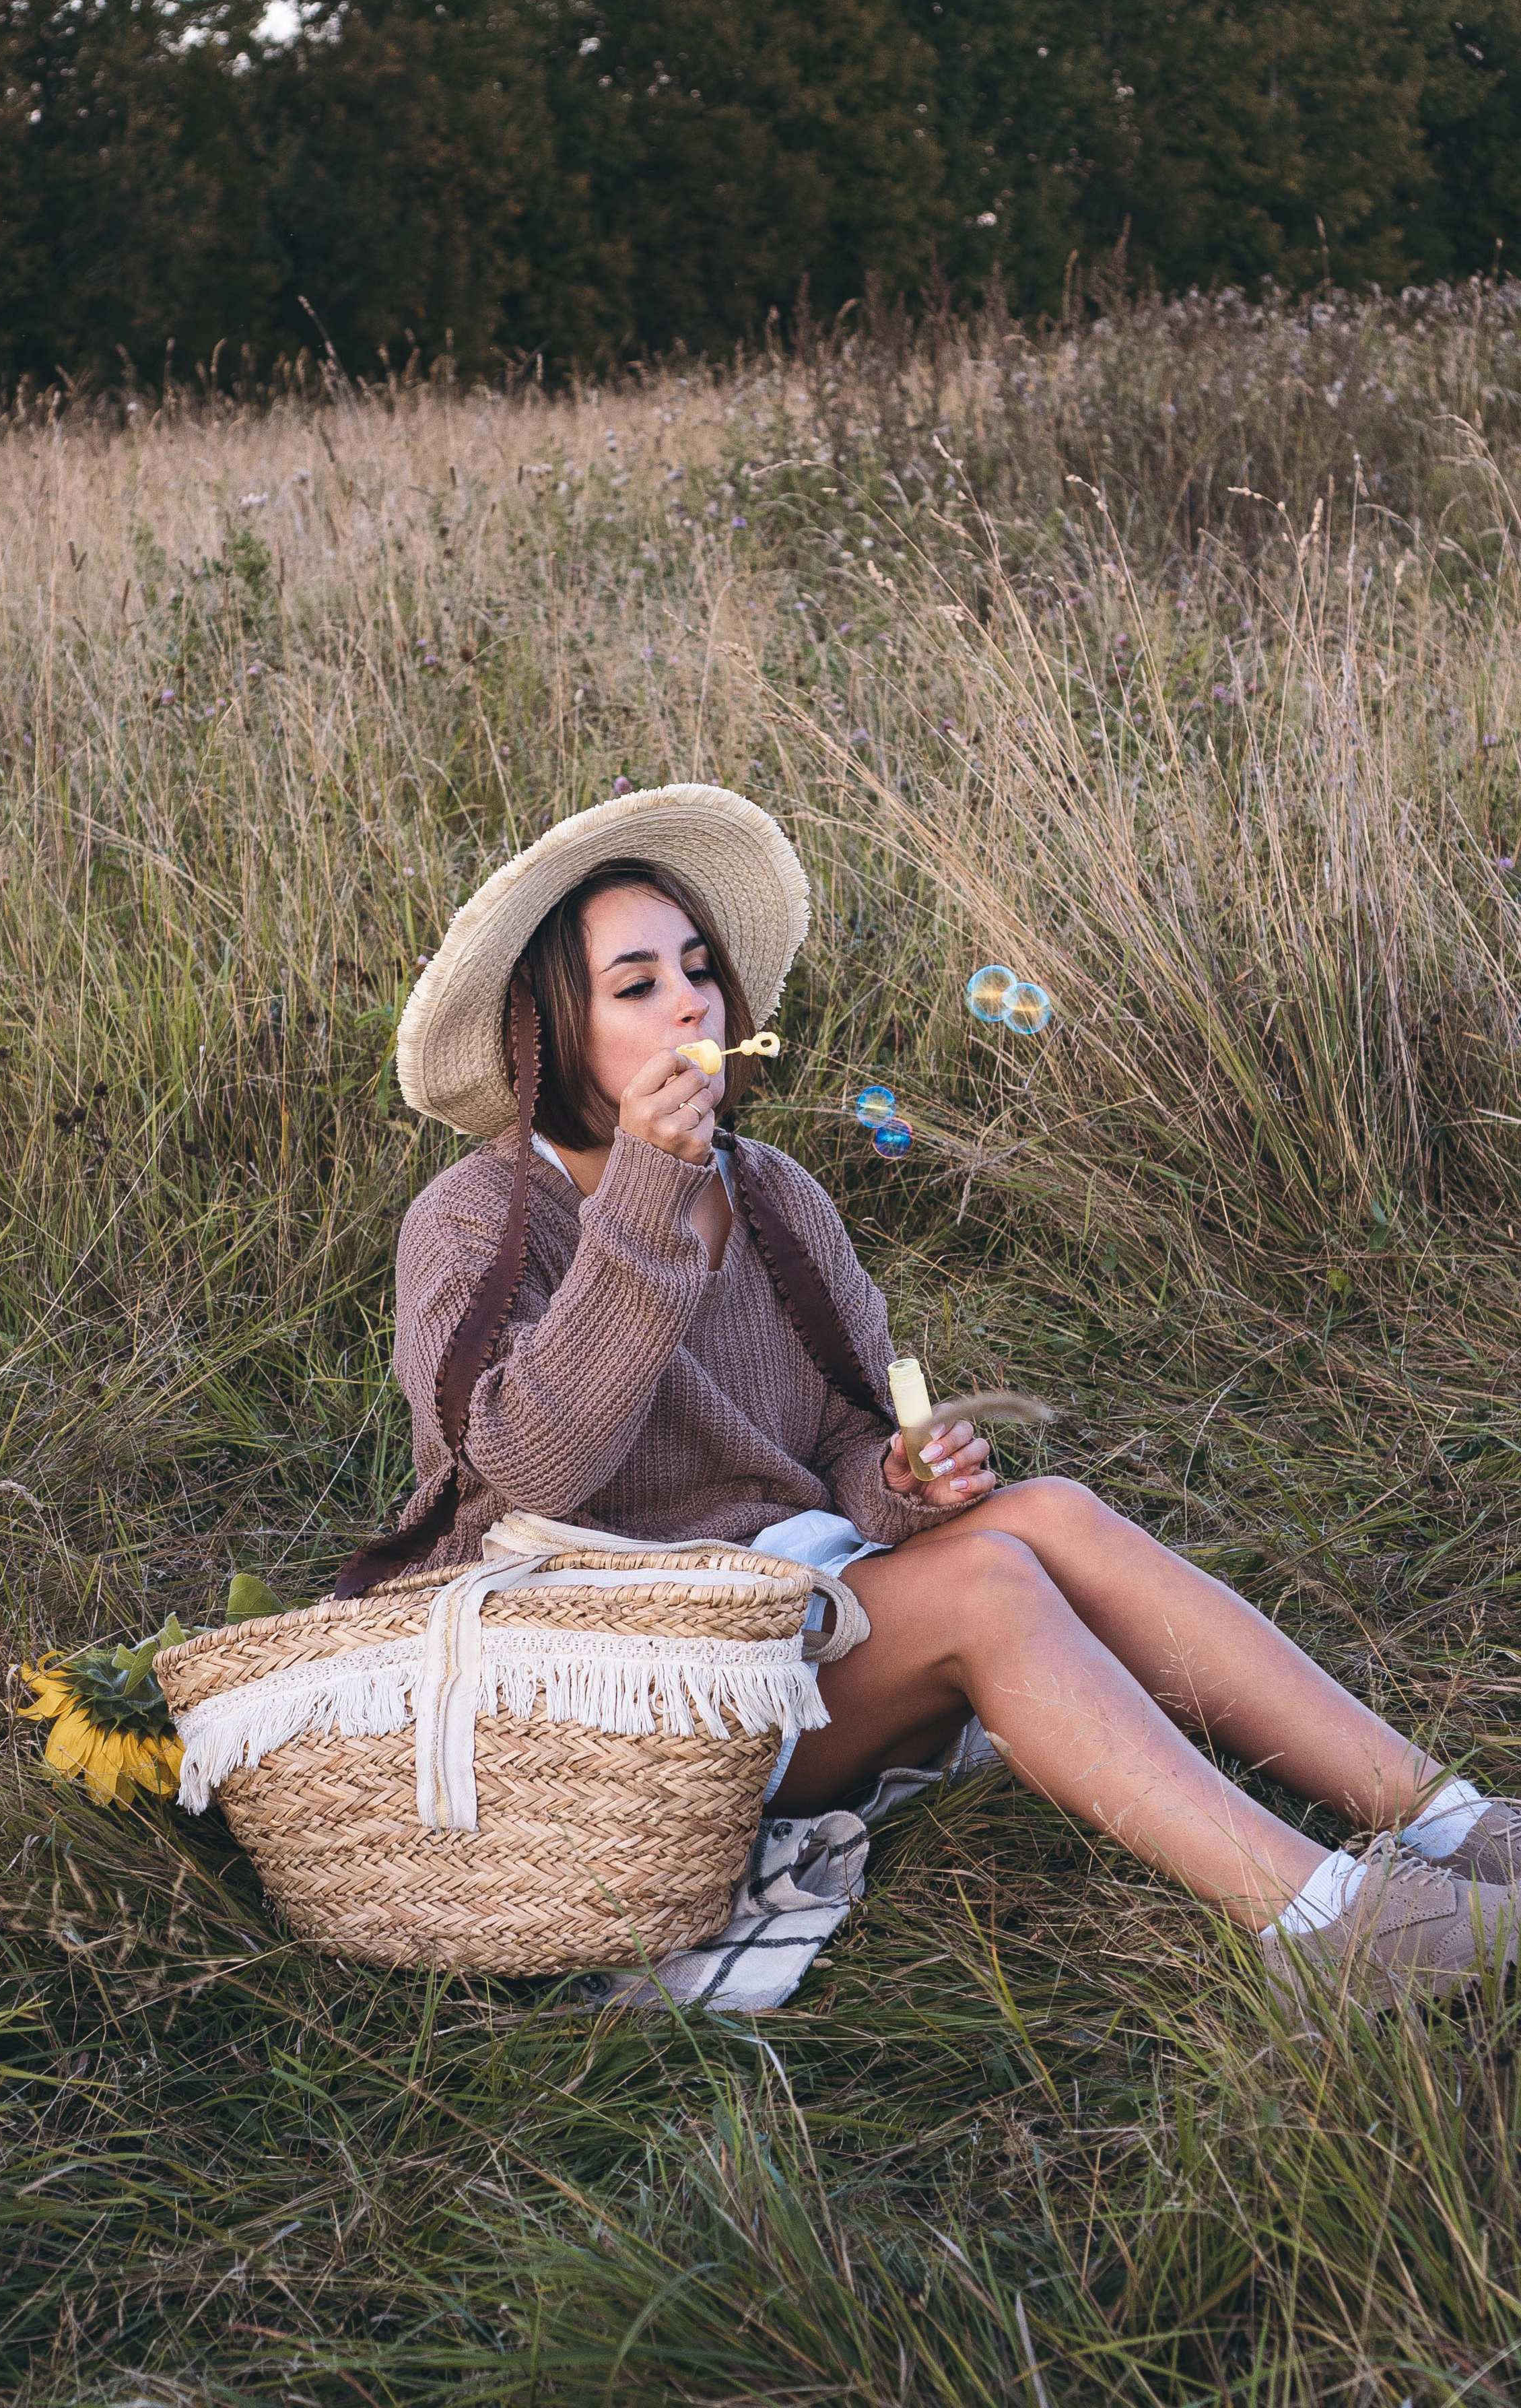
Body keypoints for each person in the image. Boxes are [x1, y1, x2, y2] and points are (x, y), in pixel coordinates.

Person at [384, 783, 1519, 2012]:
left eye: (698, 968)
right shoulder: (474, 1222)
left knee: (1059, 1515)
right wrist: (644, 1202)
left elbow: (843, 1438)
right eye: (638, 983)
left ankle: (1455, 1826)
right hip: (630, 1692)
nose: (691, 1003)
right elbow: (529, 1466)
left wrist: (908, 1482)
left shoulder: (771, 1192)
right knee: (988, 1586)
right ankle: (1323, 1922)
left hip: (788, 1615)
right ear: (553, 1029)